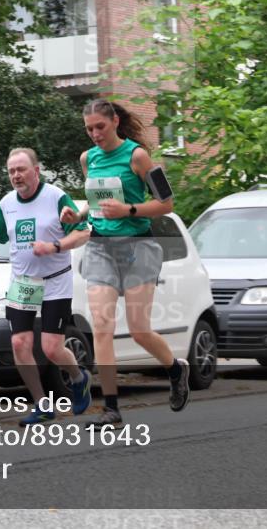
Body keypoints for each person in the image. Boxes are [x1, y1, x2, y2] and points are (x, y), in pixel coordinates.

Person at [60, 99, 189, 428]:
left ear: (115, 121)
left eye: (100, 127)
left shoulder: (138, 157)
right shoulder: (87, 159)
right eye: (89, 129)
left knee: (139, 329)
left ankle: (176, 369)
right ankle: (112, 409)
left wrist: (129, 210)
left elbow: (167, 203)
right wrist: (79, 215)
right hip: (101, 247)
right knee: (101, 328)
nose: (94, 135)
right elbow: (98, 202)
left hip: (138, 247)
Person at [0, 148, 92, 425]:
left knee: (52, 348)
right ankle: (42, 404)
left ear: (36, 171)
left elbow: (83, 232)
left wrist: (55, 246)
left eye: (21, 169)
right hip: (23, 282)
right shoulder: (7, 203)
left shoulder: (55, 197)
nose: (16, 175)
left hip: (55, 280)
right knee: (19, 343)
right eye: (11, 171)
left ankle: (79, 378)